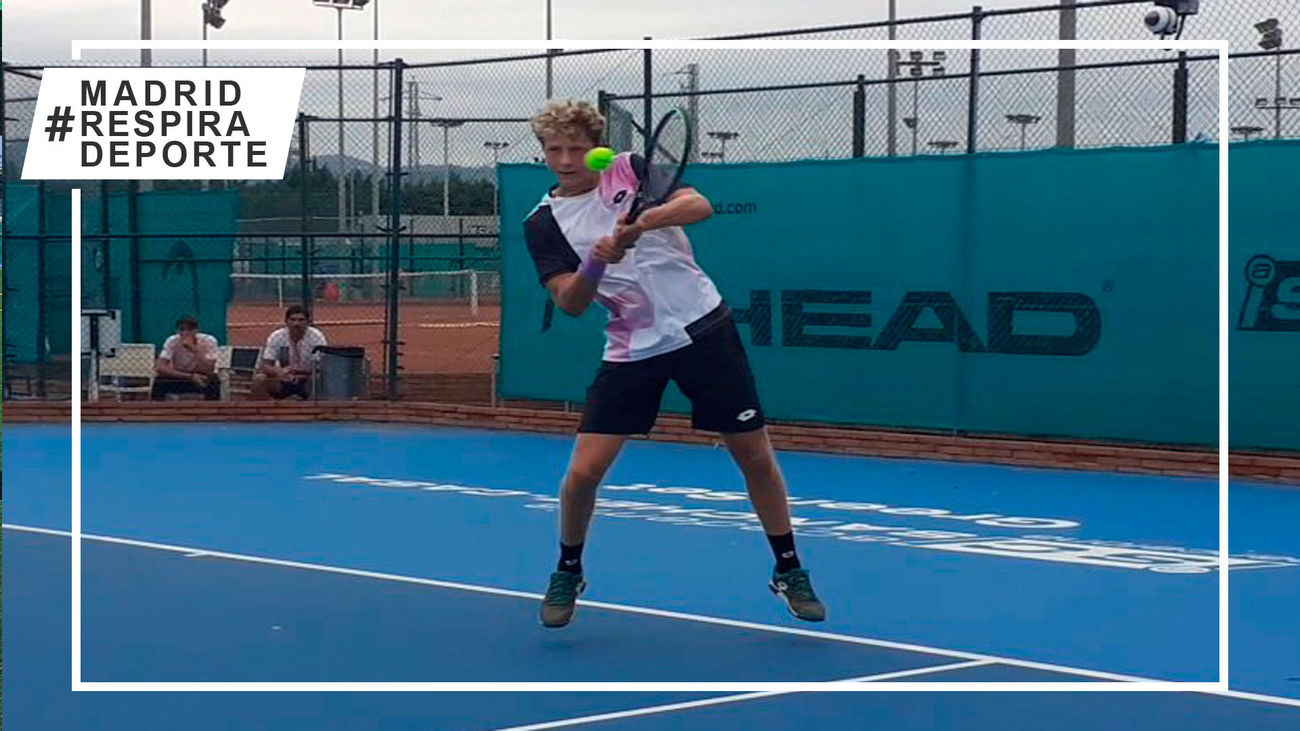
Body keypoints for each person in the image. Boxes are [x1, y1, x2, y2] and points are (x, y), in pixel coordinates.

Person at [524, 99, 825, 628]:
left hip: (704, 327)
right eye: (555, 149)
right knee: (582, 472)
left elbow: (699, 205)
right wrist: (597, 256)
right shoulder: (543, 223)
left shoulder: (630, 169)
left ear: (596, 149)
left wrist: (642, 222)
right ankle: (568, 568)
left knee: (754, 456)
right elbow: (570, 302)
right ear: (543, 152)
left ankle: (789, 568)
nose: (567, 159)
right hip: (630, 347)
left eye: (577, 148)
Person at [251, 305, 327, 400]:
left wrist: (297, 371)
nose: (296, 323)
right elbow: (266, 365)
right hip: (282, 380)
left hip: (308, 380)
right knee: (259, 379)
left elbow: (322, 366)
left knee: (321, 380)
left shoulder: (317, 337)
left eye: (301, 320)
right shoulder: (276, 336)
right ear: (286, 321)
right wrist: (279, 372)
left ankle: (316, 413)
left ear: (308, 321)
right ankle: (259, 412)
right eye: (293, 319)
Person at [151, 315, 221, 401]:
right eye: (182, 330)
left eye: (189, 330)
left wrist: (194, 350)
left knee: (214, 381)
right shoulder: (172, 341)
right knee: (159, 382)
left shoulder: (209, 340)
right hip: (180, 376)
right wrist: (190, 376)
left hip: (201, 376)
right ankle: (158, 411)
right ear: (177, 331)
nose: (185, 333)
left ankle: (212, 411)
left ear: (197, 330)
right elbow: (160, 367)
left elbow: (209, 369)